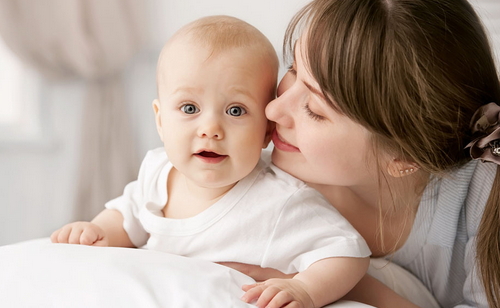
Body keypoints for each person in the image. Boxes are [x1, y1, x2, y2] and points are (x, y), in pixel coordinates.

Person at [51, 15, 371, 308]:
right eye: (190, 108)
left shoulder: (280, 201)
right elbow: (127, 215)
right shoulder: (158, 169)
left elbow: (347, 252)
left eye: (235, 111)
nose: (211, 130)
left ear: (266, 132)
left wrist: (306, 289)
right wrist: (97, 231)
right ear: (161, 121)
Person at [224, 0, 500, 307]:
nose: (273, 109)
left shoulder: (486, 194)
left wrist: (327, 283)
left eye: (314, 111)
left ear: (404, 158)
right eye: (293, 68)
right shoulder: (263, 184)